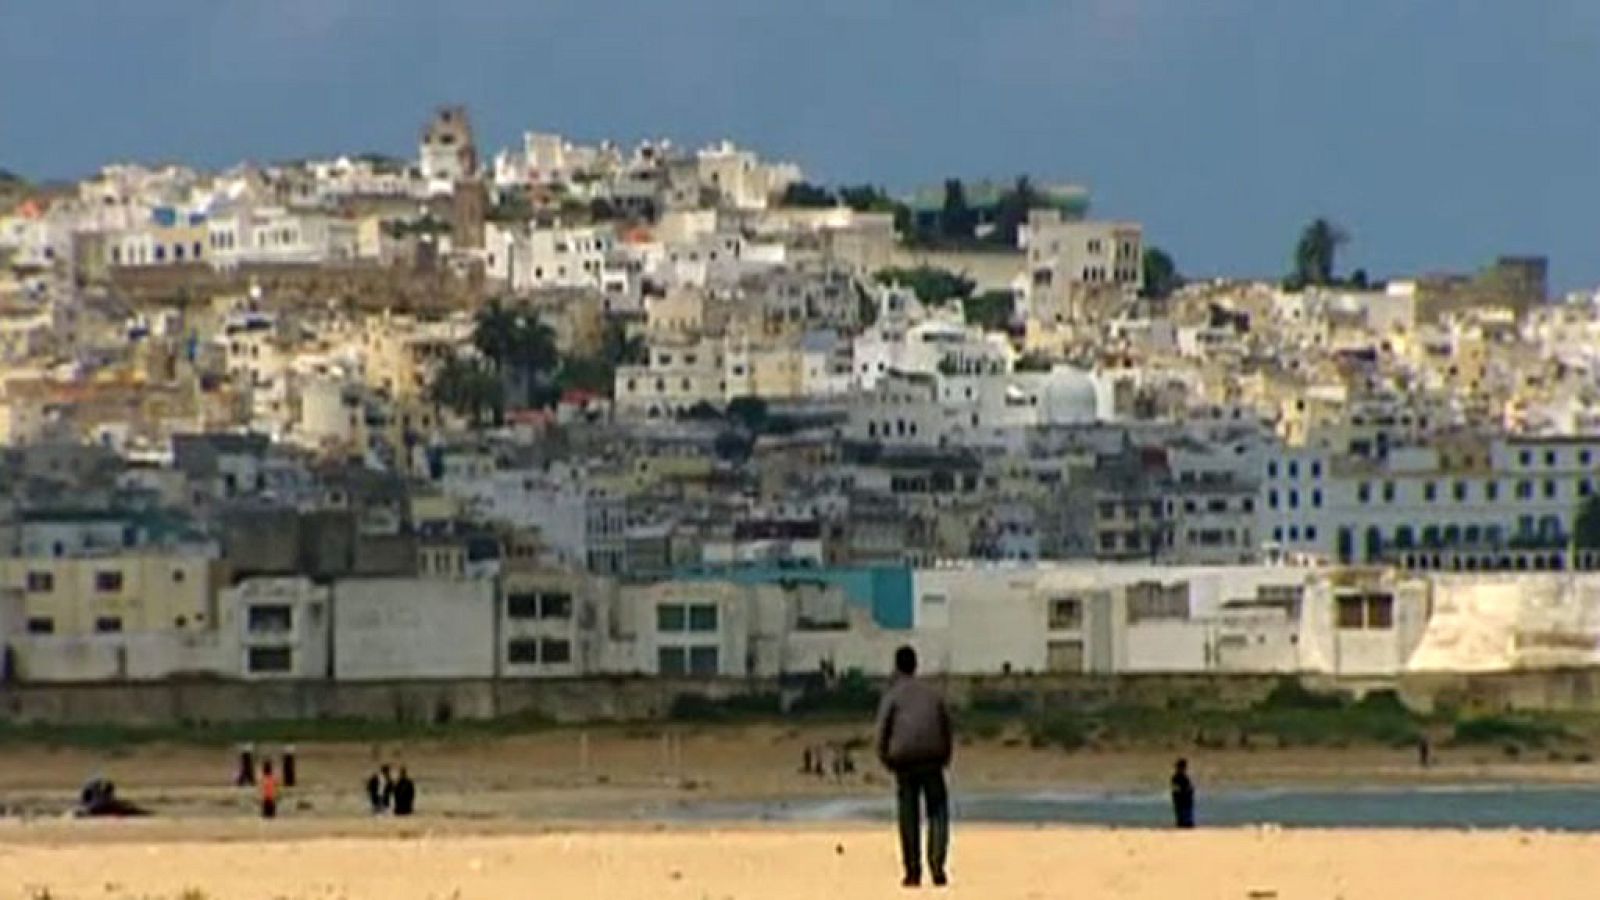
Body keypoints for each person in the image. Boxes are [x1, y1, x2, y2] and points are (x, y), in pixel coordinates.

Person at [875, 645, 952, 888]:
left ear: (897, 667)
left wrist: (886, 759)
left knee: (908, 815)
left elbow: (882, 731)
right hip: (932, 757)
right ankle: (937, 866)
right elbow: (946, 727)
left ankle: (913, 871)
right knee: (937, 812)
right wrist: (945, 757)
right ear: (915, 666)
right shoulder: (932, 693)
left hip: (904, 759)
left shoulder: (892, 695)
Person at [1171, 758, 1195, 829]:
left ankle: (1185, 825)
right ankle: (1184, 825)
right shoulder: (1176, 778)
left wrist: (1190, 792)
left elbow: (1189, 788)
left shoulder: (1183, 778)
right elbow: (1175, 789)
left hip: (1184, 800)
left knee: (1185, 817)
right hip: (1181, 800)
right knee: (1182, 817)